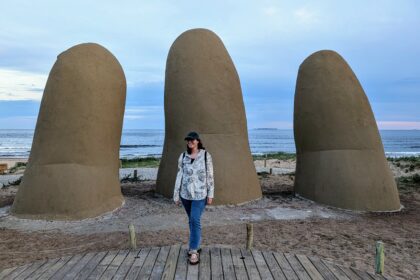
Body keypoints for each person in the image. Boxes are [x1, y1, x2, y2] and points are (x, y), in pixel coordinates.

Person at [173, 131, 214, 265]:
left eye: (192, 140)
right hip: (185, 194)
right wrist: (176, 194)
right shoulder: (183, 156)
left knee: (195, 220)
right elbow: (180, 175)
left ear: (198, 141)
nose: (190, 142)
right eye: (188, 140)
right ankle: (195, 244)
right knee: (191, 221)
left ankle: (194, 250)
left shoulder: (206, 155)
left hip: (200, 194)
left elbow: (210, 175)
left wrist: (210, 194)